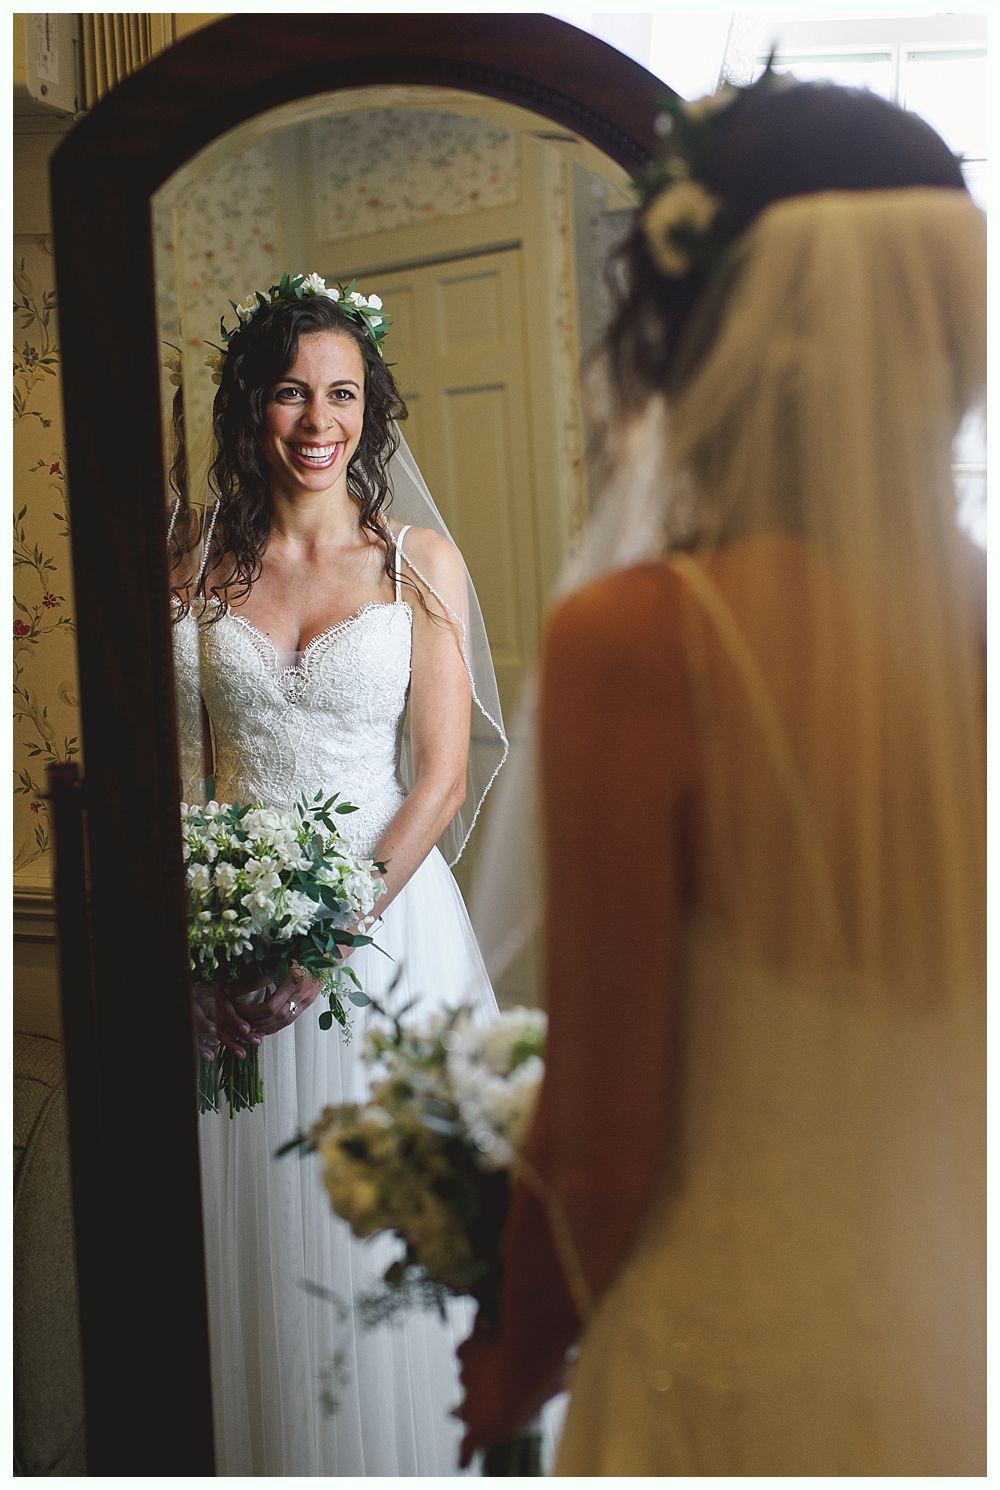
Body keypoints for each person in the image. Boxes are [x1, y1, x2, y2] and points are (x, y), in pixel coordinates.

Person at [458, 76, 985, 1475]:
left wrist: (515, 1349)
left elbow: (604, 1135)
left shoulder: (645, 641)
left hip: (737, 1349)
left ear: (703, 334)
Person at [170, 274, 506, 1474]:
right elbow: (186, 775)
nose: (320, 420)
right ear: (251, 406)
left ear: (373, 408)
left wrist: (327, 929)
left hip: (386, 932)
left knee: (380, 1238)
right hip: (226, 934)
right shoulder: (195, 559)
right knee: (253, 1230)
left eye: (344, 394)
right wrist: (218, 922)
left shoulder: (420, 563)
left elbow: (441, 779)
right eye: (292, 392)